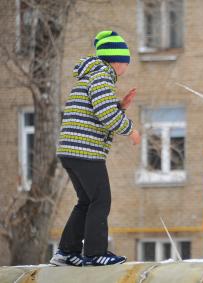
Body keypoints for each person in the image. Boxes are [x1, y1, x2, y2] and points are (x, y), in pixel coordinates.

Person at [49, 31, 141, 267]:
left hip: (72, 150)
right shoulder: (102, 76)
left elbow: (99, 110)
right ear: (118, 61)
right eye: (126, 61)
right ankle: (94, 253)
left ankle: (67, 252)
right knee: (101, 200)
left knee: (86, 201)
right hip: (85, 150)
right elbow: (105, 115)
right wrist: (131, 130)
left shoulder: (91, 76)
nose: (126, 67)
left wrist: (120, 105)